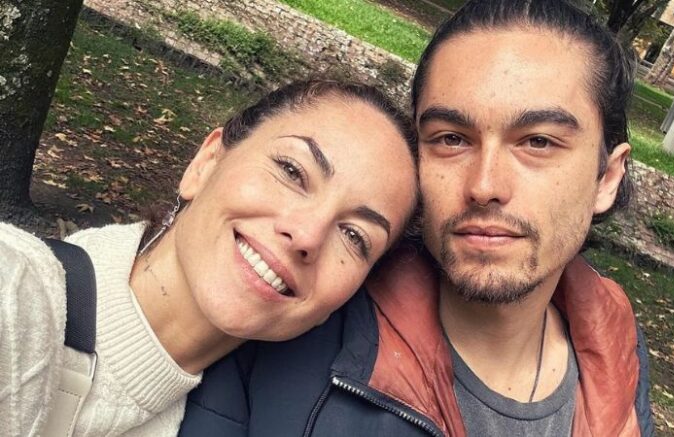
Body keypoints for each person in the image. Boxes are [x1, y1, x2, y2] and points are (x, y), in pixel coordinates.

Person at [179, 0, 654, 436]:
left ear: (607, 178)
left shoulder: (615, 346)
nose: (484, 185)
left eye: (538, 142)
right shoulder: (289, 326)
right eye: (451, 139)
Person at [0, 79, 419, 436]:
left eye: (354, 236)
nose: (306, 236)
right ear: (206, 163)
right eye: (292, 171)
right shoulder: (14, 291)